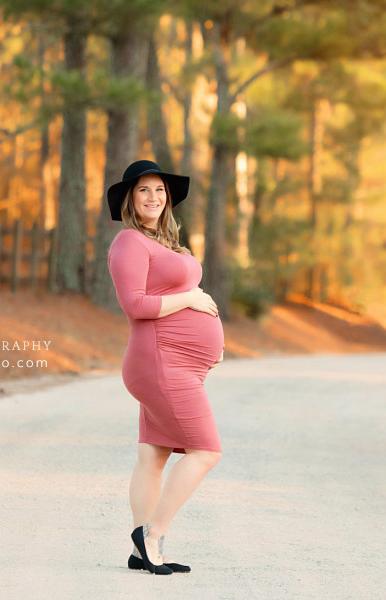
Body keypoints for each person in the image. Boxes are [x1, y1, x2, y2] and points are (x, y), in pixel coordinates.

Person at [106, 160, 225, 575]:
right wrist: (192, 301)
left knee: (153, 455)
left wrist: (210, 340)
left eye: (159, 190)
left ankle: (141, 551)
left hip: (177, 362)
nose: (153, 197)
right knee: (206, 451)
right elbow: (135, 305)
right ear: (130, 199)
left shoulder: (165, 243)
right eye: (143, 191)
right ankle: (152, 535)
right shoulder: (129, 243)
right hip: (158, 362)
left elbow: (177, 292)